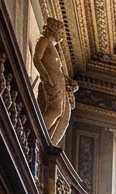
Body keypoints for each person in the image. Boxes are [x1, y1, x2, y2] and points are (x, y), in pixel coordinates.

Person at [33, 18, 75, 146]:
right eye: (61, 32)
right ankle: (37, 137)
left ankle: (48, 141)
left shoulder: (53, 47)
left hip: (59, 83)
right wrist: (45, 77)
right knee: (55, 110)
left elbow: (56, 68)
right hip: (52, 82)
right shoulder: (44, 41)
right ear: (54, 30)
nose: (61, 35)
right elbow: (36, 59)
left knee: (62, 115)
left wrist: (67, 81)